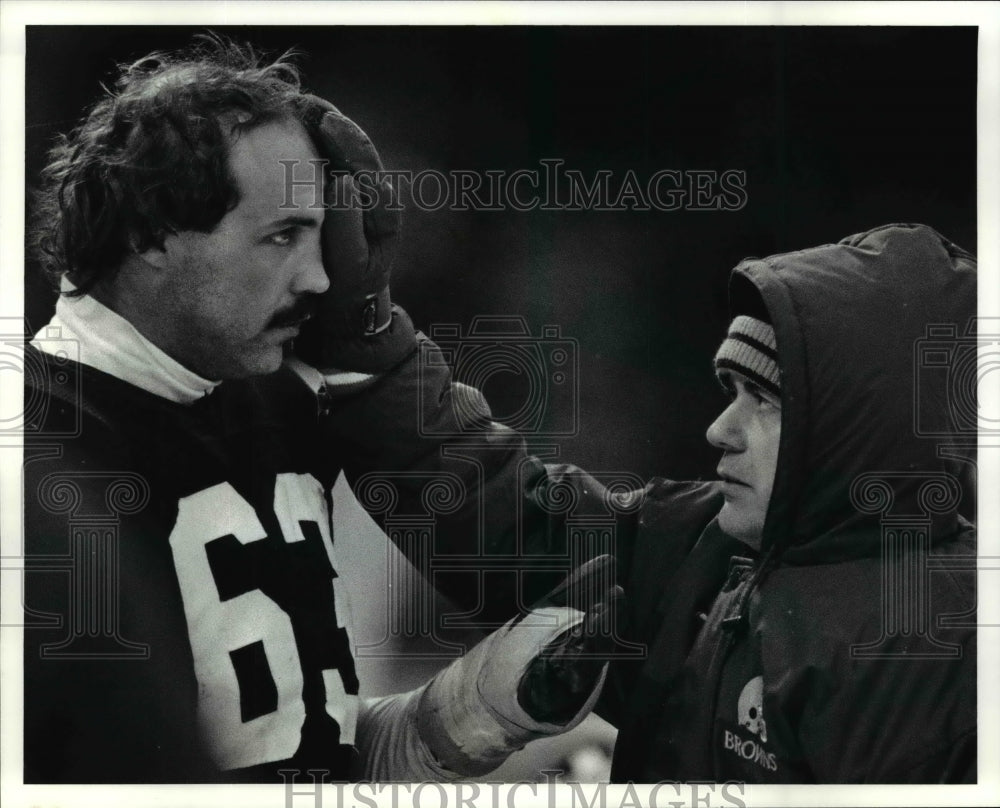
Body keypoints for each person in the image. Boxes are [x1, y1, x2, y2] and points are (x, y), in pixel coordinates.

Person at [21, 38, 618, 783]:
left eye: (318, 232)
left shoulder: (279, 397)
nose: (318, 276)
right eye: (281, 236)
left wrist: (461, 717)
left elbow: (287, 746)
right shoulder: (39, 444)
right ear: (149, 234)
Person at [328, 222, 977, 783]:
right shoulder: (703, 543)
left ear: (859, 425)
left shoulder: (947, 656)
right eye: (733, 390)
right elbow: (500, 519)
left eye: (768, 401)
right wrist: (363, 340)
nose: (719, 429)